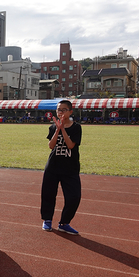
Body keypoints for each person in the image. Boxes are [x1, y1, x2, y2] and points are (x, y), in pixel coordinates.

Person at [40, 100, 82, 235]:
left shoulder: (76, 127)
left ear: (70, 111)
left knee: (73, 197)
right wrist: (57, 128)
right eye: (58, 110)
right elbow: (51, 146)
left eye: (63, 110)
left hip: (70, 168)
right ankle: (47, 220)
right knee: (48, 194)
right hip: (53, 166)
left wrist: (63, 129)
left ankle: (64, 223)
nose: (60, 113)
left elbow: (70, 145)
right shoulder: (53, 127)